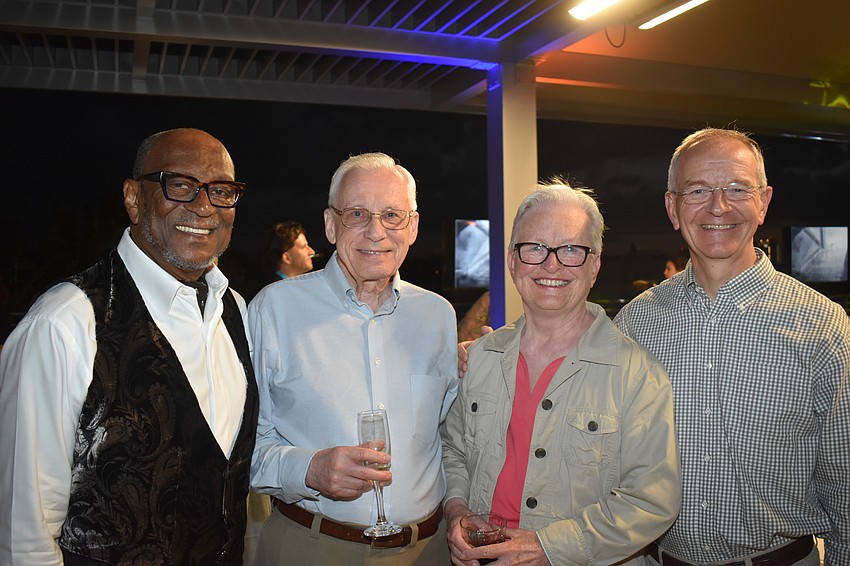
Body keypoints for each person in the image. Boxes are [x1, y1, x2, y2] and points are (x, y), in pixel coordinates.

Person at [0, 128, 259, 565]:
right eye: (179, 185)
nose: (203, 206)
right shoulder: (63, 322)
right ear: (134, 198)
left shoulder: (234, 310)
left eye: (221, 190)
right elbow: (22, 530)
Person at [614, 127, 850, 566]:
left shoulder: (824, 325)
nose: (718, 206)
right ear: (672, 206)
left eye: (738, 188)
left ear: (763, 202)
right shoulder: (636, 323)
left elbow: (846, 478)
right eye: (698, 190)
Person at [443, 181, 681, 566]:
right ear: (512, 261)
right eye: (534, 247)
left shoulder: (637, 374)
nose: (551, 264)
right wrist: (456, 509)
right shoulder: (481, 358)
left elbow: (650, 499)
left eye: (570, 249)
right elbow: (452, 450)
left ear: (594, 266)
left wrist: (549, 547)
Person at [247, 152, 458, 565]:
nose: (376, 232)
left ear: (412, 227)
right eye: (358, 214)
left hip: (429, 551)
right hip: (312, 549)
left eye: (392, 215)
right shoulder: (274, 310)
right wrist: (308, 470)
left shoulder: (437, 316)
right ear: (330, 225)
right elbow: (238, 450)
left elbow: (449, 436)